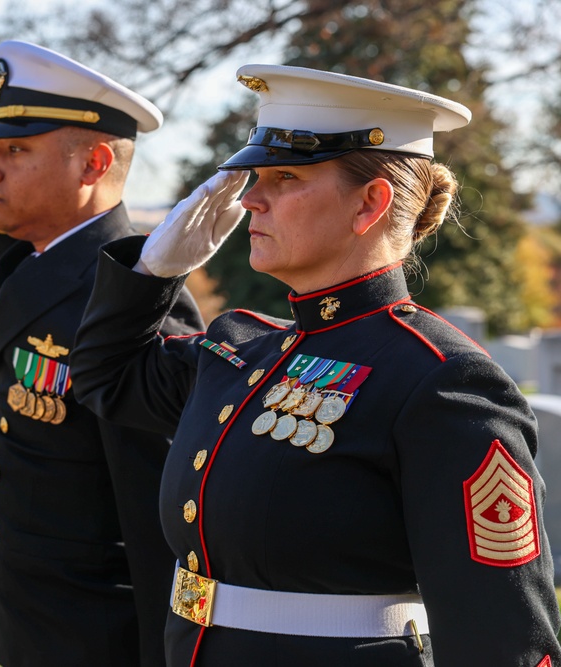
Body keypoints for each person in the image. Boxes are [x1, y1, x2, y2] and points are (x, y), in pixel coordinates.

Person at [71, 64, 561, 666]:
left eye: (284, 176)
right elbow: (105, 377)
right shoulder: (240, 352)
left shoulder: (441, 381)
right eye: (255, 176)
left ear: (370, 204)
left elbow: (502, 635)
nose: (251, 197)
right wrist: (152, 272)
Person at [0, 40, 205, 667]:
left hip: (99, 639)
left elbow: (161, 524)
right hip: (32, 625)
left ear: (94, 163)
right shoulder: (40, 264)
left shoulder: (136, 298)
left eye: (15, 150)